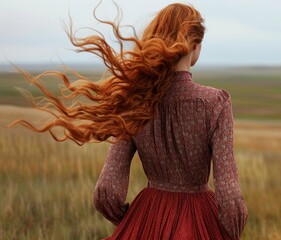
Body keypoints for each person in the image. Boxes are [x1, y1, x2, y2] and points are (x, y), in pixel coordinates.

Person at [9, 2, 247, 239]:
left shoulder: (137, 101)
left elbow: (107, 191)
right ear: (195, 46)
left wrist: (135, 222)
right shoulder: (216, 102)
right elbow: (228, 193)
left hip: (147, 216)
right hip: (199, 219)